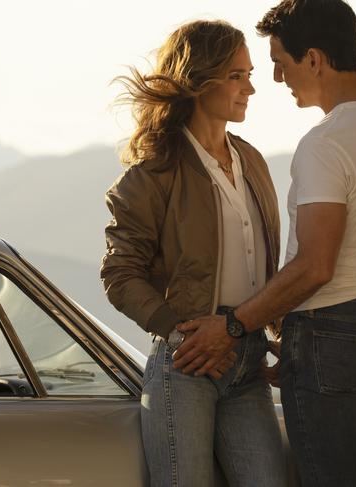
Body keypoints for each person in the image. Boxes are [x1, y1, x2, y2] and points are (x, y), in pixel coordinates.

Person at [173, 1, 356, 485]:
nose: (276, 78)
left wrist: (233, 326)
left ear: (314, 59)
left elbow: (317, 265)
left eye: (281, 62)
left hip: (331, 333)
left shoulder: (326, 142)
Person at [100, 20, 286, 487]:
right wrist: (177, 333)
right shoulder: (152, 174)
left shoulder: (254, 162)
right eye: (237, 76)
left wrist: (281, 332)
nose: (251, 88)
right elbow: (120, 274)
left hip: (248, 360)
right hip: (186, 366)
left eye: (249, 74)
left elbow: (267, 267)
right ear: (201, 79)